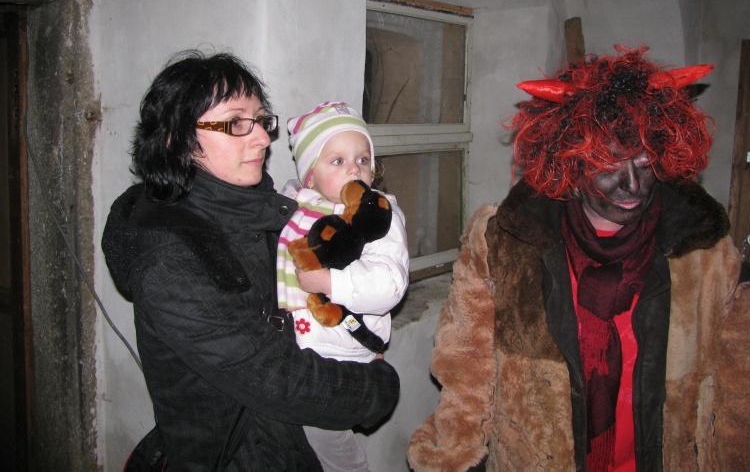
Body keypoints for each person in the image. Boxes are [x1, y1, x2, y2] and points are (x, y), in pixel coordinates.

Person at [408, 46, 750, 471]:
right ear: (569, 162)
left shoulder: (703, 250)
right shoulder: (505, 243)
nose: (632, 185)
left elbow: (738, 382)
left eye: (644, 161)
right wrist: (453, 455)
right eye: (607, 164)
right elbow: (466, 368)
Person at [102, 51, 400, 471]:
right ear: (178, 141)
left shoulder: (257, 214)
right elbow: (272, 376)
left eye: (261, 120)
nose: (262, 138)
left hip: (289, 447)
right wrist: (376, 389)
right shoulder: (171, 260)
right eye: (236, 123)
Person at [276, 101, 409, 472]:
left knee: (334, 449)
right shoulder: (292, 210)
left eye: (363, 160)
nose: (354, 168)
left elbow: (389, 283)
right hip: (295, 351)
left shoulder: (377, 215)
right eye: (337, 161)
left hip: (343, 353)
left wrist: (329, 282)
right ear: (310, 177)